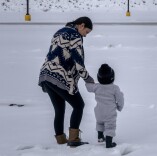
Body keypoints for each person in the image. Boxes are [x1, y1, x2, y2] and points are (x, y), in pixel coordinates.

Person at [38, 16, 95, 147]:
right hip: (60, 76)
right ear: (81, 25)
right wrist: (88, 78)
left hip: (46, 74)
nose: (85, 36)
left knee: (59, 109)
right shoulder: (75, 36)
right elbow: (78, 61)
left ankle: (61, 140)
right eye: (86, 32)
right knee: (79, 105)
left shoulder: (60, 31)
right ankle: (74, 140)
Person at [85, 64, 124, 148]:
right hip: (109, 112)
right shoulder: (114, 88)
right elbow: (120, 99)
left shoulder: (96, 86)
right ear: (112, 77)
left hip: (98, 111)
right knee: (110, 126)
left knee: (100, 123)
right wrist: (119, 107)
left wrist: (87, 80)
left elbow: (88, 87)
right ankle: (109, 143)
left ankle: (100, 137)